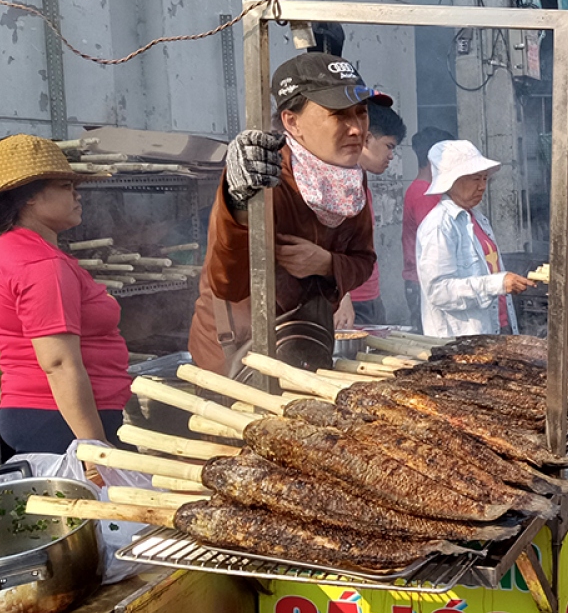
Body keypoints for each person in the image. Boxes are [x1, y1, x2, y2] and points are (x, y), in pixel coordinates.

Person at [189, 52, 383, 375]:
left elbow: (363, 261)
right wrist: (237, 202)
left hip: (305, 344)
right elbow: (228, 284)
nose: (356, 129)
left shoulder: (350, 180)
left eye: (361, 113)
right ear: (292, 122)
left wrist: (325, 262)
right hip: (235, 355)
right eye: (339, 115)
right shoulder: (262, 174)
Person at [0, 135, 132, 453]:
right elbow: (59, 364)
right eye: (65, 187)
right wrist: (93, 446)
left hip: (52, 417)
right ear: (29, 197)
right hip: (60, 421)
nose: (77, 196)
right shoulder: (41, 264)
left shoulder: (22, 248)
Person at [416, 140, 533, 336]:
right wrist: (497, 284)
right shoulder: (438, 225)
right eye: (475, 179)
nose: (482, 187)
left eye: (485, 179)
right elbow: (438, 291)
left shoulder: (478, 217)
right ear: (451, 181)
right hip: (460, 339)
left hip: (493, 326)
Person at [337, 101, 405, 328]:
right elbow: (331, 243)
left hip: (369, 295)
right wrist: (341, 296)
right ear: (366, 139)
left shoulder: (360, 181)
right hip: (351, 302)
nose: (391, 155)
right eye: (389, 146)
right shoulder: (339, 182)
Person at [398, 126, 455, 332]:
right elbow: (438, 245)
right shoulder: (425, 193)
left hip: (420, 281)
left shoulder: (425, 190)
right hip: (423, 283)